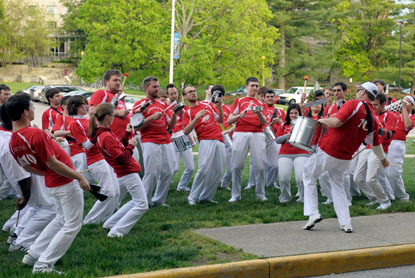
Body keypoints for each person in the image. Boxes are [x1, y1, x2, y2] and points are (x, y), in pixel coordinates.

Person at [6, 93, 89, 274]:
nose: (34, 109)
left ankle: (32, 255)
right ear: (24, 112)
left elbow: (28, 166)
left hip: (54, 182)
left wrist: (47, 172)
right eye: (32, 107)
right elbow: (52, 162)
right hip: (64, 182)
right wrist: (79, 177)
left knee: (60, 219)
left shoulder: (13, 140)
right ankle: (44, 264)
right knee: (72, 224)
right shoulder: (34, 133)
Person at [303, 82, 389, 233]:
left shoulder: (354, 104)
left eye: (358, 90)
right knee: (338, 186)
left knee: (308, 174)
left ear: (363, 92)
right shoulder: (373, 119)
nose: (356, 92)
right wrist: (383, 159)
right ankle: (345, 223)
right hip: (345, 157)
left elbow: (336, 122)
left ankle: (313, 213)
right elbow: (375, 144)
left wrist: (322, 121)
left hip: (330, 149)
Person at [89, 103, 148, 237]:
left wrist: (127, 135)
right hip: (126, 171)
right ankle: (116, 232)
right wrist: (132, 146)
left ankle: (110, 224)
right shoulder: (106, 136)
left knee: (136, 200)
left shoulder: (104, 135)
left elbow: (118, 147)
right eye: (114, 116)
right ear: (108, 117)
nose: (115, 118)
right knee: (142, 205)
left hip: (123, 172)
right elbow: (121, 158)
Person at [67, 95, 119, 224]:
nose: (85, 106)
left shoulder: (88, 119)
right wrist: (99, 133)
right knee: (108, 192)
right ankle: (90, 221)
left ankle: (107, 218)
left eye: (86, 103)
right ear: (74, 107)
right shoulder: (74, 123)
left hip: (105, 157)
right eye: (81, 105)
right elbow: (86, 145)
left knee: (116, 192)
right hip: (95, 159)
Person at [132, 76, 177, 207]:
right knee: (151, 173)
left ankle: (159, 200)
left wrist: (174, 113)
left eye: (158, 86)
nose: (158, 89)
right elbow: (136, 126)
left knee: (168, 172)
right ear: (147, 88)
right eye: (154, 87)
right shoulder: (139, 105)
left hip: (166, 140)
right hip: (150, 140)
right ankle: (144, 201)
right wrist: (151, 117)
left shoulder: (163, 104)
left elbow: (171, 125)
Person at [183, 85, 226, 205]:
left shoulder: (207, 105)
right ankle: (192, 197)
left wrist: (220, 107)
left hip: (219, 139)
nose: (193, 93)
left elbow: (221, 120)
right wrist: (196, 118)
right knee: (203, 170)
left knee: (218, 170)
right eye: (190, 92)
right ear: (185, 96)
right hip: (205, 140)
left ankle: (206, 197)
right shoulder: (188, 112)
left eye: (194, 91)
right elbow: (186, 131)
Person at [227, 77, 267, 202]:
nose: (255, 88)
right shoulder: (239, 101)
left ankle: (260, 194)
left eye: (257, 86)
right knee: (237, 165)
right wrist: (240, 115)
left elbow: (264, 122)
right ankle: (235, 194)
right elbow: (229, 120)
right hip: (240, 132)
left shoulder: (261, 104)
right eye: (252, 85)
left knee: (260, 166)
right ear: (246, 86)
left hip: (257, 134)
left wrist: (259, 113)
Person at [353, 93, 396, 209]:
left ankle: (385, 201)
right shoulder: (370, 114)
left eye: (376, 105)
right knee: (357, 178)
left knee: (371, 178)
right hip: (367, 147)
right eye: (372, 104)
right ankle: (375, 198)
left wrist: (377, 129)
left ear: (383, 104)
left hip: (381, 148)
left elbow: (389, 134)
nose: (373, 107)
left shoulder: (390, 115)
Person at [275, 104, 309, 203]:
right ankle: (285, 197)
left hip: (301, 152)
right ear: (288, 114)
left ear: (299, 113)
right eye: (291, 113)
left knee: (300, 178)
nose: (293, 115)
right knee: (283, 178)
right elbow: (277, 140)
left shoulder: (304, 124)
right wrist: (288, 135)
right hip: (285, 153)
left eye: (295, 113)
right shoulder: (283, 125)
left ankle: (303, 197)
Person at [166, 83, 194, 192]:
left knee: (191, 167)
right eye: (171, 94)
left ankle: (182, 186)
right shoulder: (166, 108)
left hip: (183, 137)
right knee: (174, 167)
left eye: (176, 93)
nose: (174, 96)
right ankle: (164, 186)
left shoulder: (183, 107)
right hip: (171, 139)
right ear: (167, 95)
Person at [387, 95, 415, 202]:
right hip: (388, 142)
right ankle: (390, 194)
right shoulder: (395, 114)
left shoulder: (411, 116)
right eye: (404, 101)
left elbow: (407, 126)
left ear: (412, 105)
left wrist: (404, 108)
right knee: (386, 172)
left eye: (407, 102)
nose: (404, 102)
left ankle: (403, 196)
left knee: (394, 171)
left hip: (398, 144)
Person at [89, 70, 130, 140]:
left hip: (123, 140)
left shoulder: (119, 99)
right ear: (106, 82)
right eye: (115, 80)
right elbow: (92, 111)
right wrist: (117, 112)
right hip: (109, 139)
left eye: (119, 81)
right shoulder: (101, 93)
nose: (118, 83)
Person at [263, 89, 285, 188]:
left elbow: (286, 126)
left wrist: (280, 122)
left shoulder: (280, 111)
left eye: (272, 96)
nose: (270, 98)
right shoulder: (260, 109)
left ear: (275, 98)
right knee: (256, 163)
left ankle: (271, 183)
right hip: (261, 137)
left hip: (274, 139)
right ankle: (253, 183)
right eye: (268, 97)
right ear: (264, 98)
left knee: (274, 164)